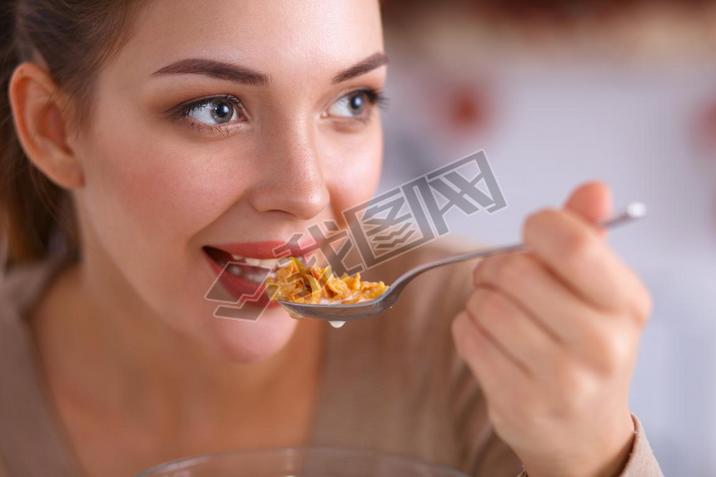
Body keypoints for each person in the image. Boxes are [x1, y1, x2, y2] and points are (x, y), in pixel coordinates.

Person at [0, 1, 662, 476]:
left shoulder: (468, 338)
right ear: (54, 128)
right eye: (217, 109)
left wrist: (587, 455)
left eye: (352, 102)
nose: (308, 194)